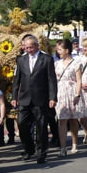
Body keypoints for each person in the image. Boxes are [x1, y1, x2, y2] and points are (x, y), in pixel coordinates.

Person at [11, 34, 57, 165]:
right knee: (21, 124)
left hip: (41, 99)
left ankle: (41, 152)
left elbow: (51, 80)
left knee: (41, 127)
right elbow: (16, 80)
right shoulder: (21, 60)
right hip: (24, 99)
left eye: (31, 47)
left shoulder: (47, 59)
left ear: (37, 46)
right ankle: (28, 148)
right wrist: (14, 97)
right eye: (26, 48)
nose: (28, 50)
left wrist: (52, 97)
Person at [54, 39, 87, 156]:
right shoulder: (56, 64)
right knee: (62, 120)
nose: (58, 52)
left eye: (60, 49)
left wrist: (77, 94)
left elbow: (79, 80)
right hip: (60, 93)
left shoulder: (76, 63)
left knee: (73, 119)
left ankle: (74, 143)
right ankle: (63, 147)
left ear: (67, 50)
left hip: (72, 91)